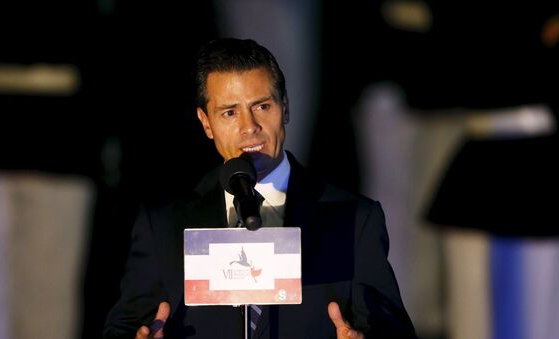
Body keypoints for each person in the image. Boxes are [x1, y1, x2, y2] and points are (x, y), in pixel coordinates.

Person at [104, 38, 417, 339]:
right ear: (206, 123)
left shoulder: (354, 219)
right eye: (230, 112)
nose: (249, 127)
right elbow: (123, 328)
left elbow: (392, 329)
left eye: (262, 107)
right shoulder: (162, 224)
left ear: (286, 108)